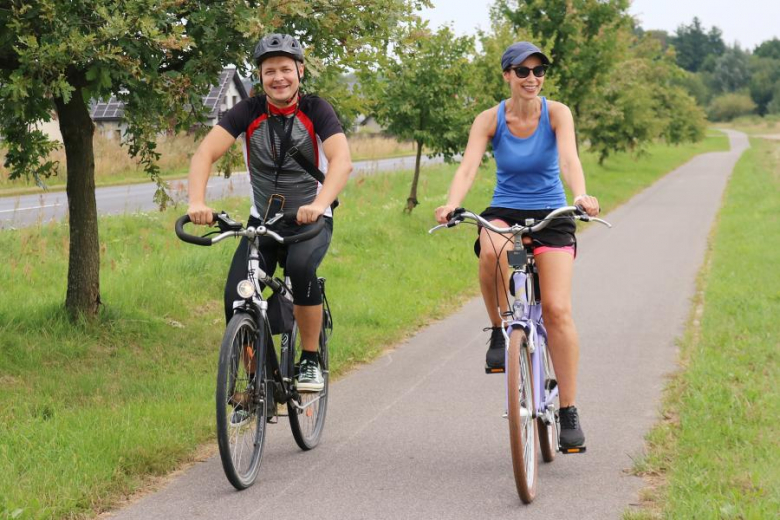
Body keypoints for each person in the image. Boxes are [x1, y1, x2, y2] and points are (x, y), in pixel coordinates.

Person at [434, 41, 599, 449]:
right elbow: (469, 165)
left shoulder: (557, 113)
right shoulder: (489, 119)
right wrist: (453, 203)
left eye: (538, 71)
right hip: (506, 208)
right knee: (491, 250)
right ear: (507, 75)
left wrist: (580, 195)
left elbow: (569, 160)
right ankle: (498, 330)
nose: (532, 78)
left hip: (552, 213)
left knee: (558, 310)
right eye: (522, 71)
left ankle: (569, 410)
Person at [187, 33, 352, 393]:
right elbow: (204, 154)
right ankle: (255, 380)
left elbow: (342, 161)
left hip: (310, 218)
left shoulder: (316, 110)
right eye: (269, 71)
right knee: (237, 296)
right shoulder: (248, 111)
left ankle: (309, 359)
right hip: (262, 222)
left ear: (300, 71)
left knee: (300, 267)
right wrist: (196, 202)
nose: (278, 77)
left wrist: (320, 204)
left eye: (285, 70)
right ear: (259, 77)